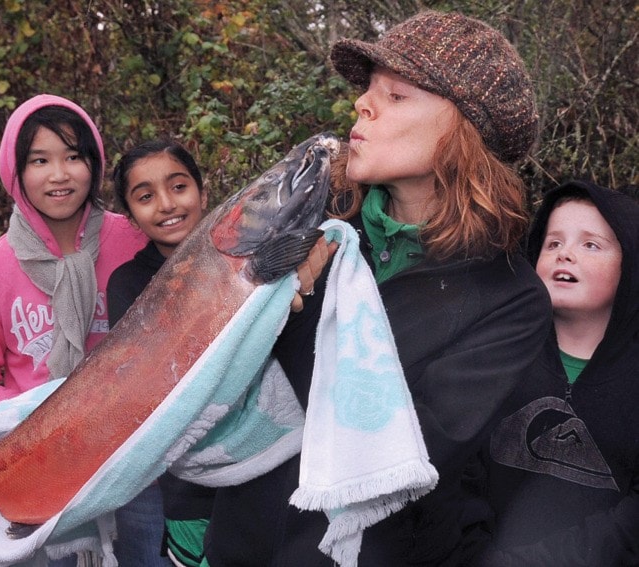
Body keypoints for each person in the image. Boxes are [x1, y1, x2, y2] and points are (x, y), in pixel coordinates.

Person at [202, 10, 553, 566]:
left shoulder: (510, 298)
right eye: (367, 90)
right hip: (239, 544)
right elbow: (205, 383)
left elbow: (404, 451)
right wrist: (260, 297)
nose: (362, 105)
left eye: (395, 94)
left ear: (465, 131)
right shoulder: (311, 224)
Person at [0, 94, 146, 565]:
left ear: (93, 164)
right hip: (36, 477)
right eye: (40, 160)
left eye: (74, 156)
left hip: (133, 462)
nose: (59, 174)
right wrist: (42, 411)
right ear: (16, 173)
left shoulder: (132, 241)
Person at [475, 181, 639, 566]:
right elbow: (455, 472)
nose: (565, 254)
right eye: (553, 243)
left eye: (590, 244)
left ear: (629, 265)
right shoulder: (494, 355)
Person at [106, 140, 213, 567]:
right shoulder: (129, 284)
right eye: (146, 197)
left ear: (202, 193)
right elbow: (149, 382)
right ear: (131, 216)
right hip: (188, 485)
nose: (167, 205)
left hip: (273, 471)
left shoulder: (245, 256)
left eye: (179, 186)